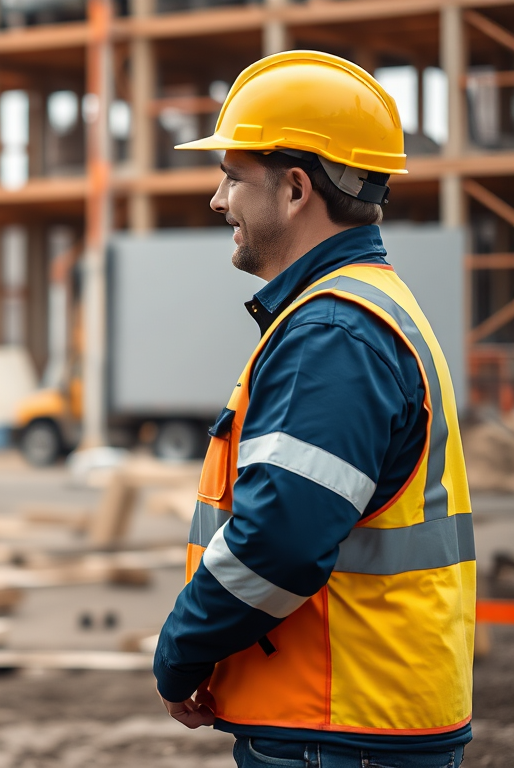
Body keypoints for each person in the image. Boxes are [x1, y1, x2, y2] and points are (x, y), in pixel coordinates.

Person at [152, 51, 474, 768]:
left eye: (233, 177)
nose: (217, 199)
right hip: (360, 721)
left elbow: (281, 541)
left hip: (336, 730)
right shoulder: (361, 308)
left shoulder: (333, 331)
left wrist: (180, 651)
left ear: (296, 189)